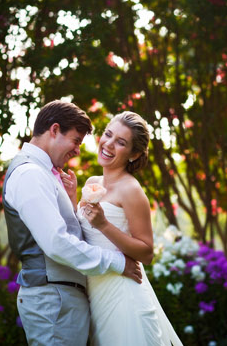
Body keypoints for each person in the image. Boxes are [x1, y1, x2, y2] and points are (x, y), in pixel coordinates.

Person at [2, 100, 142, 346]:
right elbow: (56, 243)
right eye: (76, 140)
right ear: (54, 130)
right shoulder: (30, 174)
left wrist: (71, 200)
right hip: (52, 299)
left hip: (61, 299)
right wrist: (118, 262)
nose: (78, 150)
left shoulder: (46, 173)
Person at [78, 111, 183, 345]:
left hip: (123, 294)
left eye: (121, 142)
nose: (108, 144)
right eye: (108, 134)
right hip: (94, 293)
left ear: (134, 154)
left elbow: (147, 253)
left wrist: (104, 224)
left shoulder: (132, 190)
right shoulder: (91, 183)